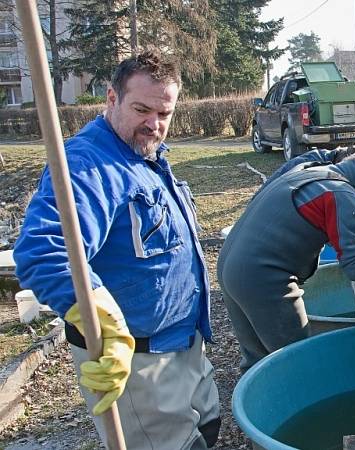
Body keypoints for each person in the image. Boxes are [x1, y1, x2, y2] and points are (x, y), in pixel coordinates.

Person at [13, 51, 220, 449]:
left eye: (164, 114)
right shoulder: (88, 165)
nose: (154, 125)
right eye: (141, 109)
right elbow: (45, 250)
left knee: (207, 429)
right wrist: (105, 322)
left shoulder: (145, 156)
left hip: (183, 344)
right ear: (111, 98)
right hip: (136, 362)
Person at [218, 147, 355, 372]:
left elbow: (317, 220)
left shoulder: (314, 173)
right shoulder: (344, 192)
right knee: (297, 357)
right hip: (264, 277)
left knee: (258, 358)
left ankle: (261, 405)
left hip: (230, 265)